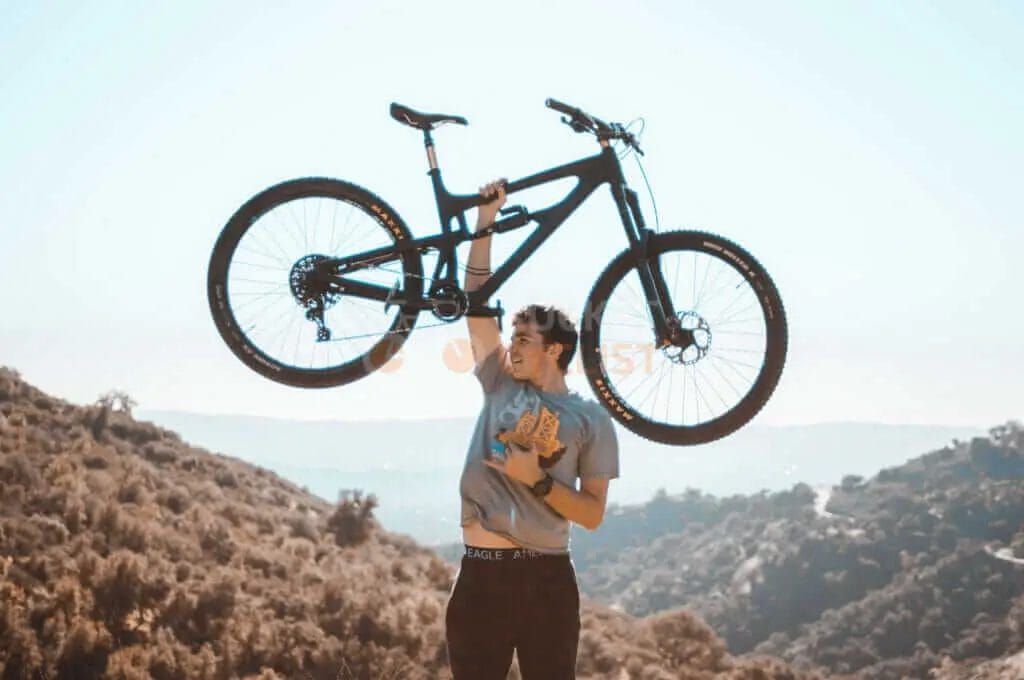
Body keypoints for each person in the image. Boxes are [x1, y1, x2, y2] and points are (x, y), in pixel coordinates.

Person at [444, 180, 620, 680]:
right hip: (479, 574)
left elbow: (592, 514)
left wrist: (536, 479)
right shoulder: (499, 381)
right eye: (512, 338)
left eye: (523, 339)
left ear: (555, 350)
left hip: (547, 582)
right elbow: (476, 303)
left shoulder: (592, 420)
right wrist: (485, 222)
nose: (512, 347)